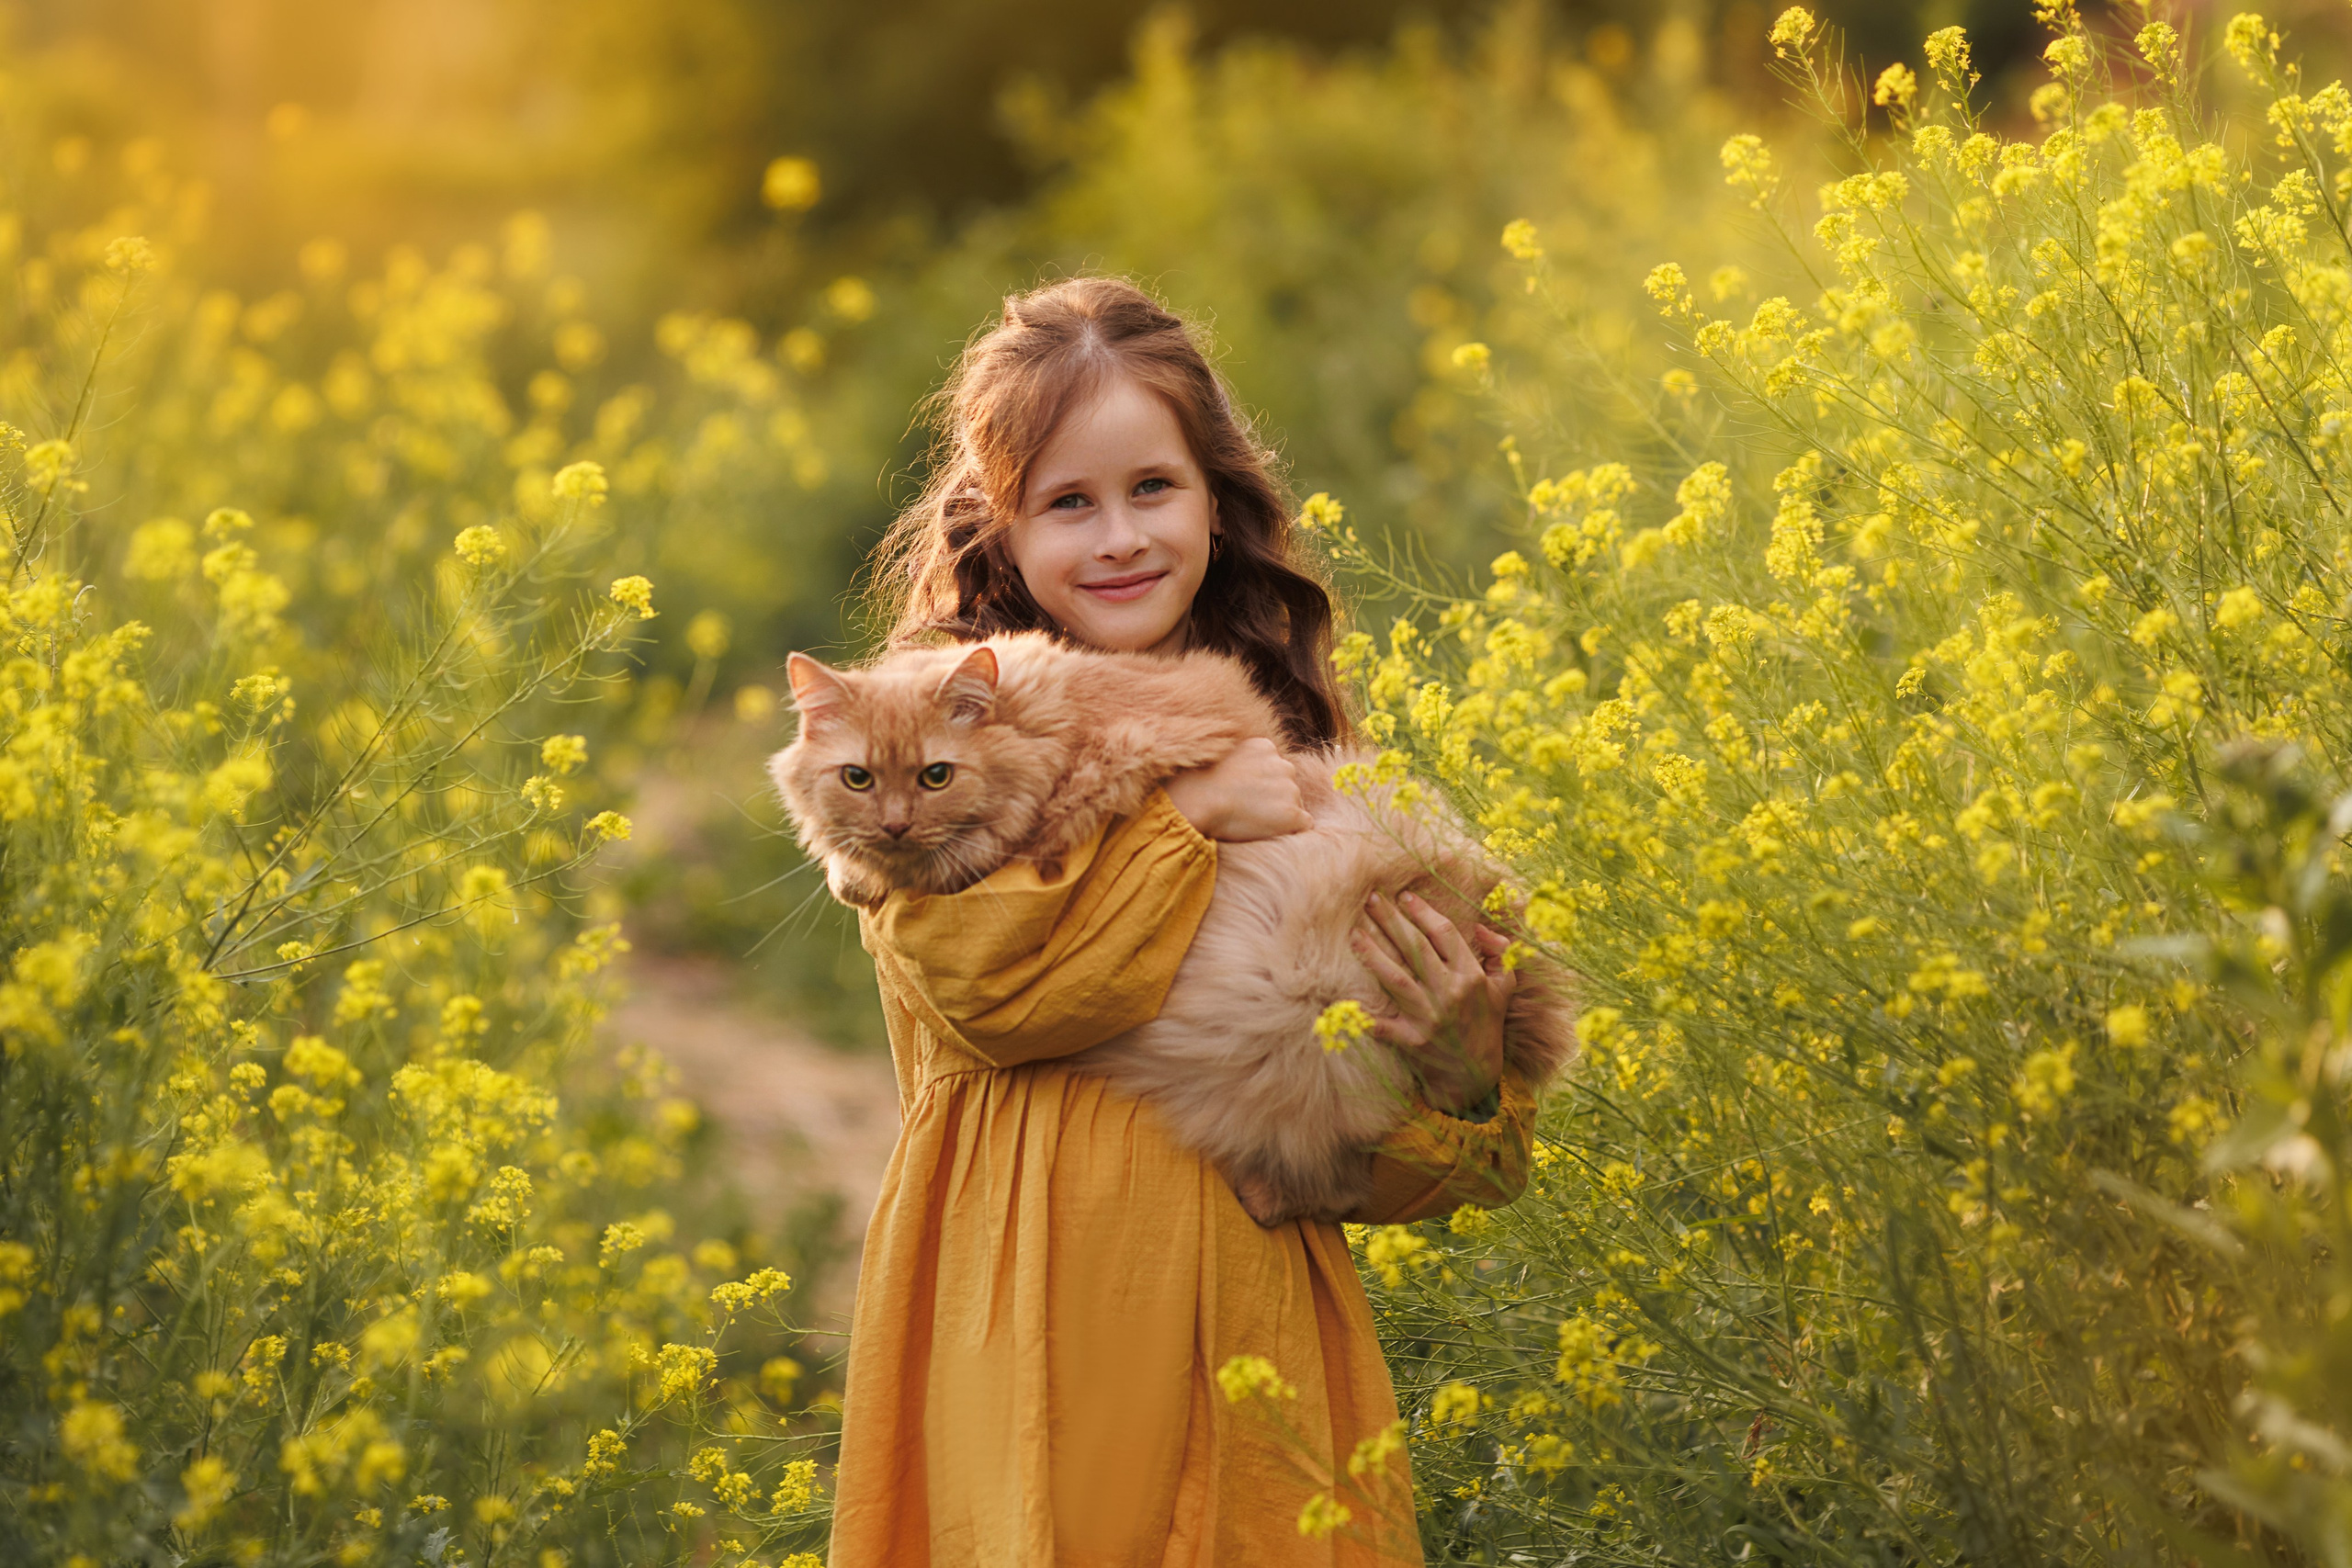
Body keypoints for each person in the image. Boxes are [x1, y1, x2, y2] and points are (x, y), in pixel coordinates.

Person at [826, 276, 1540, 1566]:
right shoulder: (931, 748)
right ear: (1002, 528)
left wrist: (1462, 1076)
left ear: (1217, 498)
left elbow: (1408, 1172)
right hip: (1029, 1318)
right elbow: (1001, 986)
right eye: (1068, 502)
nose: (1119, 539)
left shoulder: (1304, 762)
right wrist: (1187, 818)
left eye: (1153, 487)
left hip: (1256, 1328)